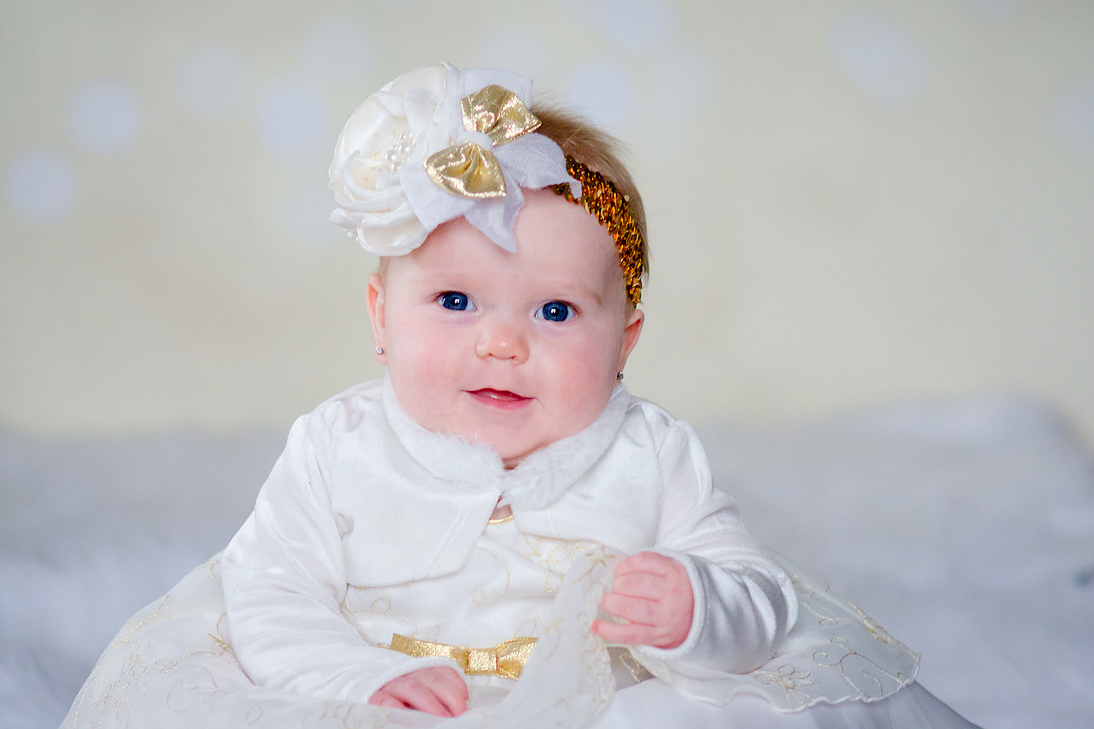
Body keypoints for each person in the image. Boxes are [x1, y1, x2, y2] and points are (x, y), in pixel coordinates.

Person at [61, 63, 978, 729]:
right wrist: (359, 681)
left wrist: (697, 607)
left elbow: (756, 589)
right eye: (455, 301)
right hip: (382, 690)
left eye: (555, 310)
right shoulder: (336, 446)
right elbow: (272, 593)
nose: (501, 342)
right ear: (381, 315)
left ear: (625, 343)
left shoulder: (649, 452)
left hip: (598, 701)